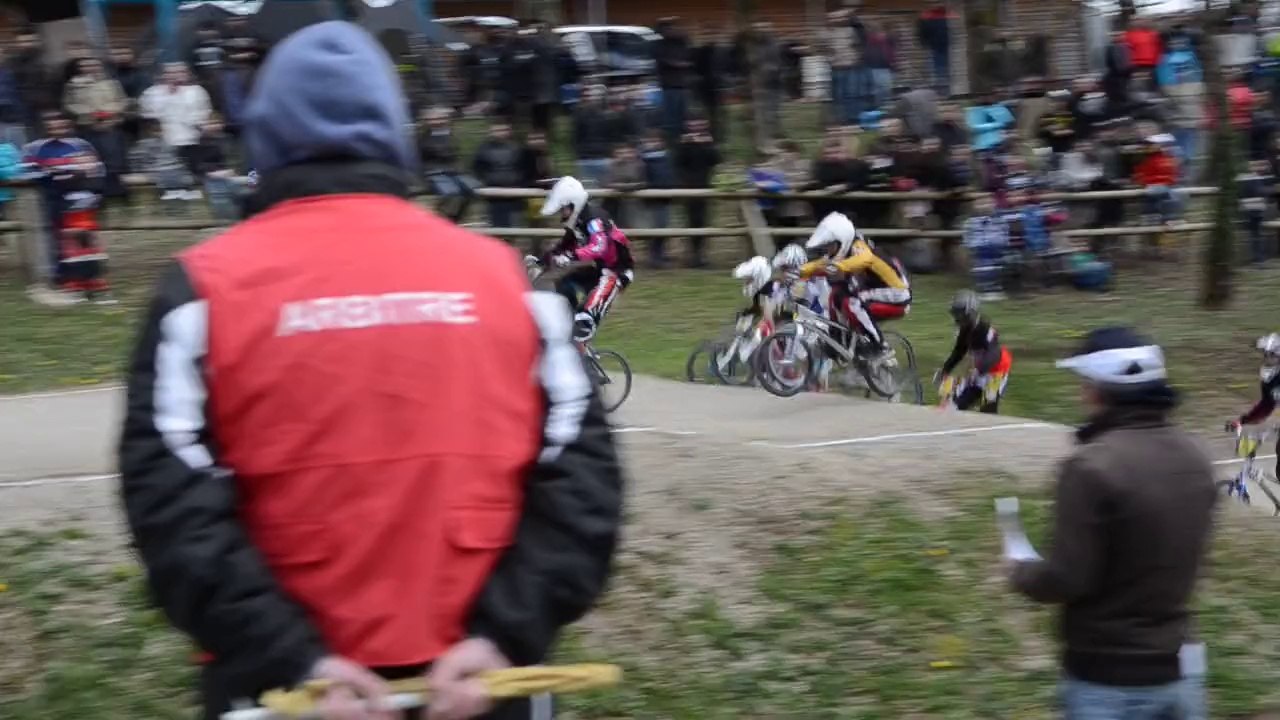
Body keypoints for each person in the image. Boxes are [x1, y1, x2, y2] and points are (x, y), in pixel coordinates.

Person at [117, 22, 623, 720]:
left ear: (263, 136)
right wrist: (506, 633)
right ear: (397, 134)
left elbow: (170, 509)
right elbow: (585, 483)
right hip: (479, 686)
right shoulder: (508, 282)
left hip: (287, 694)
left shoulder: (199, 293)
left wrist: (292, 657)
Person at [1012, 327, 1215, 720]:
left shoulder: (1089, 467)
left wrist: (1020, 572)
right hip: (1181, 668)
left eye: (1083, 383)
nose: (1080, 394)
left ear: (1097, 390)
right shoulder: (1196, 456)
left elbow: (1067, 578)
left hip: (1106, 678)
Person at [23, 109, 112, 305]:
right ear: (45, 127)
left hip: (80, 201)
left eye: (60, 125)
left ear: (67, 125)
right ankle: (65, 277)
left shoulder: (81, 145)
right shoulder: (35, 148)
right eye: (52, 126)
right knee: (57, 238)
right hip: (51, 197)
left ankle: (92, 280)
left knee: (85, 241)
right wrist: (48, 173)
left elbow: (96, 169)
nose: (56, 129)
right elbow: (28, 172)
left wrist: (77, 178)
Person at [531, 175, 635, 343]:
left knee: (587, 314)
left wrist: (571, 256)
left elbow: (599, 246)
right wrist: (542, 261)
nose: (561, 214)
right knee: (564, 282)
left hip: (617, 272)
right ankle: (568, 319)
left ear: (573, 204)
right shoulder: (579, 222)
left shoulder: (595, 219)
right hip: (599, 269)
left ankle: (583, 325)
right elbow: (565, 246)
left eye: (563, 209)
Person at [797, 212, 911, 359]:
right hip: (877, 289)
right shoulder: (844, 250)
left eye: (830, 246)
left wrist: (840, 266)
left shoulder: (859, 246)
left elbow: (865, 259)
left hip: (898, 292)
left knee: (853, 302)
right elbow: (822, 264)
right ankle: (839, 341)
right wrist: (800, 271)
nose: (827, 250)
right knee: (835, 295)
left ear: (841, 242)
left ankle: (880, 346)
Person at [936, 290, 1012, 413]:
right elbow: (959, 352)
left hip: (997, 371)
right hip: (979, 371)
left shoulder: (986, 329)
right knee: (958, 404)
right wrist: (946, 369)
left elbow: (993, 353)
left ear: (970, 313)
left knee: (988, 407)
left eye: (960, 315)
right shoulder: (965, 330)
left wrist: (979, 369)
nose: (957, 319)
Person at [1227, 334, 1280, 478]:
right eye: (1265, 355)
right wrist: (1243, 420)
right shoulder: (1270, 379)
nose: (1266, 358)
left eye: (1270, 355)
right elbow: (1266, 406)